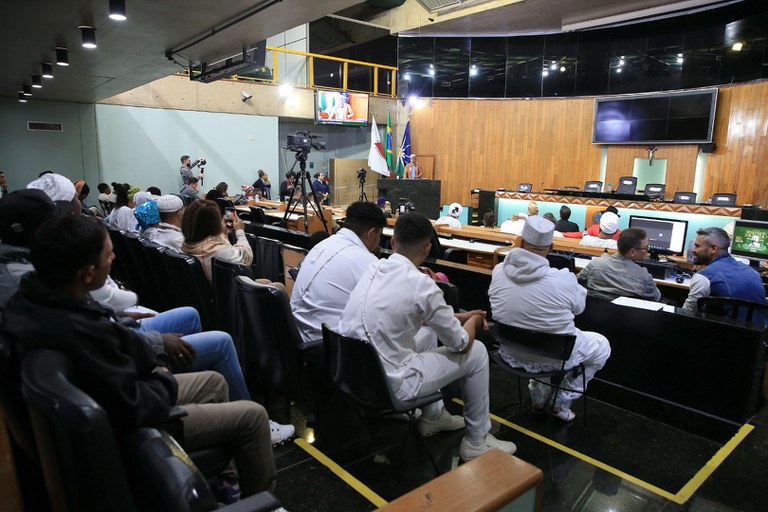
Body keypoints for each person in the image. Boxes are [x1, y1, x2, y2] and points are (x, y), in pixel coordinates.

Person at [1, 214, 277, 497]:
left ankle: (227, 481)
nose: (114, 258)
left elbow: (113, 350)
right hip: (142, 426)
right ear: (87, 272)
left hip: (134, 393)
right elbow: (133, 403)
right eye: (109, 254)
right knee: (254, 416)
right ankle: (262, 500)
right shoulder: (75, 330)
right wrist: (161, 373)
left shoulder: (40, 301)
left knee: (215, 382)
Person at [338, 213, 517, 461]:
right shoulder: (422, 285)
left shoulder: (374, 268)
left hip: (354, 375)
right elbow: (461, 344)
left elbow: (412, 316)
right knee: (476, 352)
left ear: (393, 242)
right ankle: (476, 441)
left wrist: (458, 317)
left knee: (428, 332)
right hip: (388, 385)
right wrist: (474, 321)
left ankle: (434, 417)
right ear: (428, 249)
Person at [489, 216, 611, 421]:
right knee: (602, 345)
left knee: (538, 333)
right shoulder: (564, 279)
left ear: (520, 242)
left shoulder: (498, 271)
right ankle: (561, 401)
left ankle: (539, 398)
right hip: (553, 354)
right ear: (551, 247)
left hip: (509, 349)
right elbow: (579, 309)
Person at [290, 201, 386, 345]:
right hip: (327, 347)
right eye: (379, 236)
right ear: (371, 233)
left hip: (298, 336)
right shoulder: (367, 262)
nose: (378, 241)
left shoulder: (321, 246)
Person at [682, 227, 766, 311]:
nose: (693, 250)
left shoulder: (703, 277)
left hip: (720, 320)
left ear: (713, 249)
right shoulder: (754, 273)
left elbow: (688, 312)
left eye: (697, 246)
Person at [577, 228, 661, 301]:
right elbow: (656, 297)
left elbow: (577, 281)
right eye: (646, 248)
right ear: (632, 252)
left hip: (594, 312)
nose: (648, 251)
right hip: (626, 314)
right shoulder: (643, 276)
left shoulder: (595, 264)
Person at [181, 200, 251, 283]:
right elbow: (245, 257)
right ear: (215, 223)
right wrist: (240, 231)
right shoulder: (220, 252)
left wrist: (223, 232)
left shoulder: (185, 244)